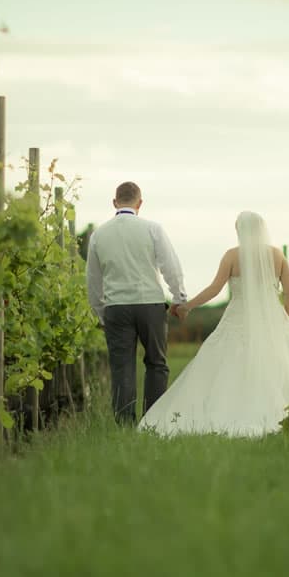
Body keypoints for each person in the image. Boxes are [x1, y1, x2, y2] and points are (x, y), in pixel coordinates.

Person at [139, 211, 289, 437]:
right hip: (275, 321)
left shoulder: (231, 256)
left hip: (237, 319)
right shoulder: (277, 256)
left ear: (241, 231)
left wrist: (188, 306)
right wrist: (283, 318)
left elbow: (214, 289)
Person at [85, 181, 188, 424]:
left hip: (116, 307)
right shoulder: (153, 229)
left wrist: (101, 314)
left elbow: (93, 280)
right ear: (140, 203)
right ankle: (152, 421)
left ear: (114, 202)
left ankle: (124, 424)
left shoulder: (98, 235)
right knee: (156, 363)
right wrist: (179, 298)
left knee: (122, 368)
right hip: (150, 304)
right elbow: (170, 267)